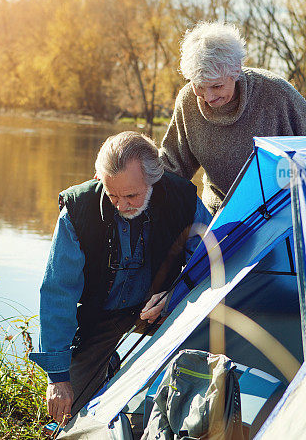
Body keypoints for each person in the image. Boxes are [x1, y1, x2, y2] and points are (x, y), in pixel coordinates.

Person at [29, 131, 212, 425]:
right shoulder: (78, 211)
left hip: (162, 310)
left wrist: (176, 294)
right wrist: (57, 377)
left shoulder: (183, 198)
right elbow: (57, 293)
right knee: (66, 415)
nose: (122, 205)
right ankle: (106, 365)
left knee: (201, 372)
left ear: (153, 180)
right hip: (101, 316)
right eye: (112, 194)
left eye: (131, 195)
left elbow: (211, 264)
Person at [160, 22, 306, 214]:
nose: (209, 97)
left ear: (236, 70)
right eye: (200, 86)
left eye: (217, 86)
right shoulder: (187, 100)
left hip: (278, 213)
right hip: (219, 214)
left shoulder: (277, 94)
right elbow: (172, 167)